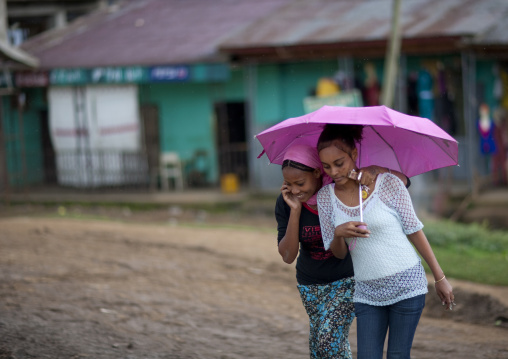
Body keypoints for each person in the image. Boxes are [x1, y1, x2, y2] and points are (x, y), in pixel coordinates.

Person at [316, 124, 454, 359]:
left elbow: (414, 230)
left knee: (398, 356)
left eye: (339, 163)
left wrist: (440, 277)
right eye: (327, 166)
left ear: (354, 155)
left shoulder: (387, 183)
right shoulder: (325, 198)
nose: (334, 172)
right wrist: (339, 232)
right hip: (367, 292)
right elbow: (339, 254)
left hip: (407, 285)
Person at [275, 144, 407, 359]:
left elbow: (404, 181)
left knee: (328, 340)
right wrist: (295, 211)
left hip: (346, 280)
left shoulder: (341, 191)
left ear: (318, 172)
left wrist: (375, 170)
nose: (295, 190)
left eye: (300, 183)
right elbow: (288, 256)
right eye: (289, 184)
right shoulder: (287, 202)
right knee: (320, 346)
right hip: (310, 286)